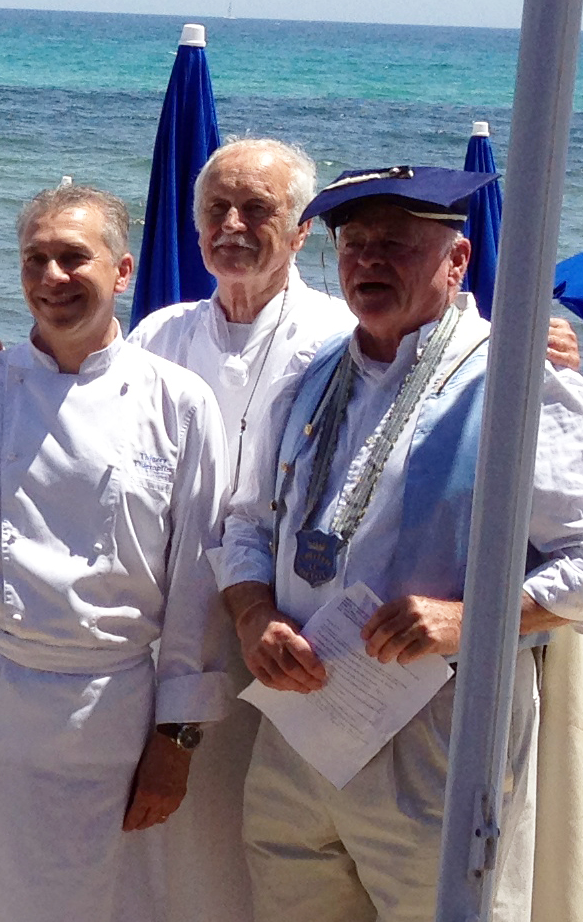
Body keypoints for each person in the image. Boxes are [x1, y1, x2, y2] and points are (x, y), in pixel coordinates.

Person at [222, 166, 583, 922]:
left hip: (438, 734)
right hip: (300, 732)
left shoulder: (516, 380)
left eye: (397, 246)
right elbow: (247, 523)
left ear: (458, 261)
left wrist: (465, 619)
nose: (369, 262)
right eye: (355, 246)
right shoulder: (309, 376)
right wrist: (253, 617)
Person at [0, 183, 229, 922]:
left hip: (109, 722)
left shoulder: (180, 404)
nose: (52, 279)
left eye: (74, 258)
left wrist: (177, 742)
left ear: (122, 272)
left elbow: (197, 587)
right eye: (36, 260)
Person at [113, 139, 353, 920]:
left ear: (303, 229)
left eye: (258, 209)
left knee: (260, 840)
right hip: (168, 619)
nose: (234, 224)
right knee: (162, 843)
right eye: (216, 209)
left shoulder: (344, 337)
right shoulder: (158, 335)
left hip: (286, 623)